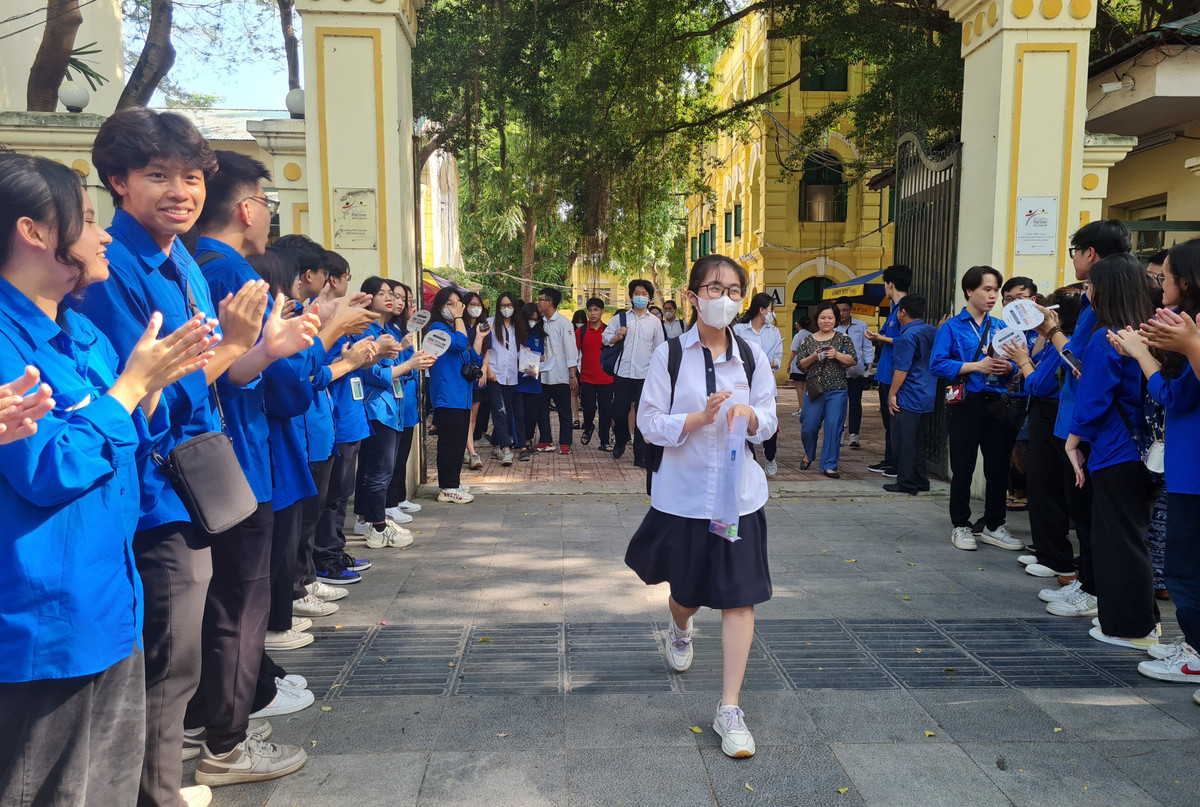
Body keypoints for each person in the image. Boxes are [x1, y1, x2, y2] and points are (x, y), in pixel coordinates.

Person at [76, 107, 277, 807]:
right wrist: (237, 345)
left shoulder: (182, 258)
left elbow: (198, 373)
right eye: (159, 175)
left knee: (176, 661)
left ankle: (159, 785)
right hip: (153, 494)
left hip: (187, 483)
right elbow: (146, 393)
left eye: (192, 177)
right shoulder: (115, 269)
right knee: (167, 666)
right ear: (118, 181)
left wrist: (244, 347)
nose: (180, 192)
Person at [0, 153, 215, 807]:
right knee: (55, 787)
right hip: (48, 615)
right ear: (33, 232)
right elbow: (48, 468)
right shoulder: (8, 342)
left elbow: (128, 440)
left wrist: (152, 386)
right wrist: (129, 390)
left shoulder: (81, 330)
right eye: (89, 219)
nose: (103, 236)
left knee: (112, 783)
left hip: (109, 597)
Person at [187, 152, 328, 786]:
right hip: (235, 460)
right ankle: (225, 739)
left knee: (225, 604)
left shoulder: (191, 265)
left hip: (221, 458)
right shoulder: (235, 275)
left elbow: (241, 364)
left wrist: (275, 349)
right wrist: (309, 342)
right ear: (248, 209)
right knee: (239, 606)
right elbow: (283, 384)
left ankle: (214, 726)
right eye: (267, 205)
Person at [625, 254, 777, 759]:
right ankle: (681, 626)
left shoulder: (752, 354)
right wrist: (696, 418)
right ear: (693, 296)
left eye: (734, 290)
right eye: (714, 288)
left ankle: (729, 707)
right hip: (685, 497)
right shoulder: (670, 355)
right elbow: (649, 423)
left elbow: (770, 418)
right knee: (686, 593)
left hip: (739, 497)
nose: (725, 298)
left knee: (740, 597)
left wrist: (749, 416)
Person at [1030, 219, 1133, 610]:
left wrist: (1051, 331)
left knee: (1089, 512)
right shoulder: (1107, 298)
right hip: (1081, 421)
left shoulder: (1103, 304)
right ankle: (1088, 582)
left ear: (1090, 253)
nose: (1074, 259)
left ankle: (1093, 589)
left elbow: (1080, 364)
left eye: (1074, 252)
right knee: (1082, 509)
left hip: (1091, 427)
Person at [1117, 239, 1200, 684]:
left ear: (1186, 282)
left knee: (1184, 569)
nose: (1158, 283)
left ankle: (1196, 654)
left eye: (1163, 276)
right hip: (1187, 465)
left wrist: (1144, 354)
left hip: (1193, 469)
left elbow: (1174, 395)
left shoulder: (1193, 328)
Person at [1066, 253, 1160, 647]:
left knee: (1117, 541)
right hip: (1147, 452)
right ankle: (1143, 621)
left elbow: (1093, 400)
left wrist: (1072, 440)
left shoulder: (1107, 338)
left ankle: (1129, 628)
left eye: (1091, 285)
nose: (1087, 292)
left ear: (1105, 290)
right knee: (1133, 537)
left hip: (1115, 450)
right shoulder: (1149, 333)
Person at [930, 265, 1024, 552]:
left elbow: (1017, 365)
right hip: (965, 404)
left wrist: (1009, 368)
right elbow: (937, 364)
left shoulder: (1001, 327)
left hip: (998, 404)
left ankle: (994, 524)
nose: (993, 295)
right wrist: (975, 366)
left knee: (998, 468)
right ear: (969, 291)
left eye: (996, 290)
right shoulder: (951, 327)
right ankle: (961, 524)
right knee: (963, 468)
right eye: (987, 289)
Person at [1002, 286, 1085, 582]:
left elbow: (1039, 383)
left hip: (1051, 417)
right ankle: (1045, 550)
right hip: (1046, 417)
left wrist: (1023, 361)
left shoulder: (1069, 344)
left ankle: (1055, 558)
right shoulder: (1055, 341)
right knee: (1042, 486)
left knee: (1048, 488)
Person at [355, 276, 435, 532]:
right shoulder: (365, 331)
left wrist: (412, 361)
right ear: (369, 299)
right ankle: (374, 524)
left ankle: (371, 520)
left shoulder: (390, 331)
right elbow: (373, 374)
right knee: (377, 471)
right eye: (384, 294)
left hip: (393, 407)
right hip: (376, 407)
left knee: (384, 469)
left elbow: (401, 370)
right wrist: (409, 364)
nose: (391, 298)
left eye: (393, 294)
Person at [427, 285, 484, 501]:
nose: (454, 308)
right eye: (449, 304)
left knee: (459, 443)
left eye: (457, 304)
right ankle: (447, 487)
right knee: (449, 443)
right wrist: (460, 318)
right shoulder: (437, 329)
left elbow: (473, 358)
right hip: (447, 395)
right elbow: (459, 345)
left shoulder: (456, 329)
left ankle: (454, 481)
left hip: (462, 395)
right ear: (440, 307)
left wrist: (479, 337)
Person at [604, 278, 666, 464]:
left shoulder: (655, 322)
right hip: (622, 373)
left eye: (644, 294)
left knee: (642, 414)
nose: (640, 297)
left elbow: (660, 349)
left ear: (650, 298)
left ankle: (640, 454)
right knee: (619, 411)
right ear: (631, 297)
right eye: (637, 294)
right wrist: (617, 336)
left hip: (645, 375)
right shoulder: (620, 318)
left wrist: (659, 375)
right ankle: (621, 438)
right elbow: (605, 338)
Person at [796, 301, 857, 478]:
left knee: (833, 427)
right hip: (814, 390)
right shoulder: (808, 340)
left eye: (830, 318)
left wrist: (836, 355)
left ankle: (829, 465)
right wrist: (813, 357)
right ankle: (809, 453)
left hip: (837, 390)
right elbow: (800, 364)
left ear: (836, 319)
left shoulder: (843, 338)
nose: (826, 321)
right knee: (808, 427)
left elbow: (853, 360)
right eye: (823, 318)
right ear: (817, 319)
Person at [884, 295, 936, 495]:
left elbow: (902, 369)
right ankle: (921, 479)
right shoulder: (932, 330)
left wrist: (892, 395)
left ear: (903, 312)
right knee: (917, 441)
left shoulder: (906, 336)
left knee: (903, 441)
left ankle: (906, 482)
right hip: (927, 393)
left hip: (908, 395)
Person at [865, 264, 912, 475]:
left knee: (895, 421)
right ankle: (889, 459)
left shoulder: (905, 309)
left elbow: (907, 340)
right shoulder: (894, 308)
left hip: (896, 373)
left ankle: (897, 464)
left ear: (890, 284)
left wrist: (879, 338)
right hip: (885, 372)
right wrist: (878, 338)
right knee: (888, 421)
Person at [385, 281, 425, 516]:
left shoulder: (402, 330)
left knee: (401, 456)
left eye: (408, 300)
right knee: (390, 459)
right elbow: (394, 365)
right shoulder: (387, 331)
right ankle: (389, 504)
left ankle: (398, 498)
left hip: (407, 401)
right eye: (399, 298)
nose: (405, 304)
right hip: (393, 401)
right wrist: (406, 355)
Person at [733, 293, 784, 475]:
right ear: (762, 310)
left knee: (769, 423)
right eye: (771, 309)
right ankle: (750, 460)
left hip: (767, 384)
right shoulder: (739, 330)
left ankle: (770, 456)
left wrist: (772, 363)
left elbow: (778, 357)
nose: (773, 313)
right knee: (744, 422)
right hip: (743, 384)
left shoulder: (774, 331)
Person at [482, 291, 525, 465]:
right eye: (502, 306)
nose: (506, 309)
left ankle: (496, 444)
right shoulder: (490, 323)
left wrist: (528, 356)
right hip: (494, 374)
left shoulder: (518, 327)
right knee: (499, 411)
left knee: (506, 412)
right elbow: (483, 348)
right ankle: (506, 448)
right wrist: (488, 369)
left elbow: (518, 351)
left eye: (509, 305)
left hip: (511, 376)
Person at [537, 287, 579, 453]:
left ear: (549, 302)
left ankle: (565, 442)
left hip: (560, 375)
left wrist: (572, 374)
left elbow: (571, 351)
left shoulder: (564, 323)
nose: (538, 303)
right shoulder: (539, 323)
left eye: (541, 299)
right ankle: (546, 440)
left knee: (564, 411)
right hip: (542, 375)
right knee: (541, 411)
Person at [835, 300, 874, 449]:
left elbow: (867, 346)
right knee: (839, 403)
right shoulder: (833, 326)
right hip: (838, 371)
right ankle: (839, 433)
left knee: (855, 402)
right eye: (839, 310)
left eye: (845, 310)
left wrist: (869, 362)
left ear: (851, 310)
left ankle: (854, 434)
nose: (842, 313)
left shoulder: (861, 325)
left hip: (857, 370)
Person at [577, 297, 614, 449]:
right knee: (588, 407)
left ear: (602, 311)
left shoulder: (608, 331)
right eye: (590, 310)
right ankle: (588, 427)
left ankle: (604, 441)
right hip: (587, 377)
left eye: (596, 310)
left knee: (605, 411)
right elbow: (575, 353)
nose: (592, 313)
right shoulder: (581, 331)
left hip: (606, 378)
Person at [518, 301, 552, 457]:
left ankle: (528, 439)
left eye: (536, 319)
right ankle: (520, 442)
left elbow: (541, 354)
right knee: (520, 414)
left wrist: (543, 359)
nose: (533, 322)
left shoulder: (538, 335)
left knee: (532, 414)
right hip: (519, 381)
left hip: (534, 381)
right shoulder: (517, 334)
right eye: (531, 319)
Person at [461, 291, 488, 469]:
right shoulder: (460, 325)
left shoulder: (483, 326)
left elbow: (487, 350)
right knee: (465, 414)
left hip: (477, 376)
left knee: (473, 417)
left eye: (478, 305)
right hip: (463, 376)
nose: (475, 308)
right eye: (472, 304)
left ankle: (467, 447)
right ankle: (471, 452)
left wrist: (484, 369)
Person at [786, 314, 813, 415]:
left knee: (799, 388)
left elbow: (794, 351)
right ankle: (808, 408)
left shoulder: (798, 336)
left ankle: (801, 408)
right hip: (809, 364)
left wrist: (788, 364)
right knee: (807, 388)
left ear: (799, 324)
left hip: (798, 366)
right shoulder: (811, 335)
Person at [570, 308, 588, 428]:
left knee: (586, 395)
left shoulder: (587, 332)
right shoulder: (571, 333)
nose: (579, 324)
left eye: (582, 322)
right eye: (577, 322)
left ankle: (587, 419)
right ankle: (576, 418)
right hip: (575, 366)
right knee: (574, 392)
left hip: (585, 366)